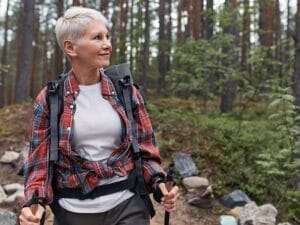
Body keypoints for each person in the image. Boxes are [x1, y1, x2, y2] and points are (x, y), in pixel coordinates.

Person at [19, 6, 179, 225]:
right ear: (70, 47)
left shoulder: (126, 91)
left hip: (128, 206)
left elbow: (145, 149)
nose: (107, 44)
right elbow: (40, 163)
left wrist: (159, 184)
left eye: (107, 36)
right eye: (97, 38)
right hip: (73, 213)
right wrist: (34, 205)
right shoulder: (49, 99)